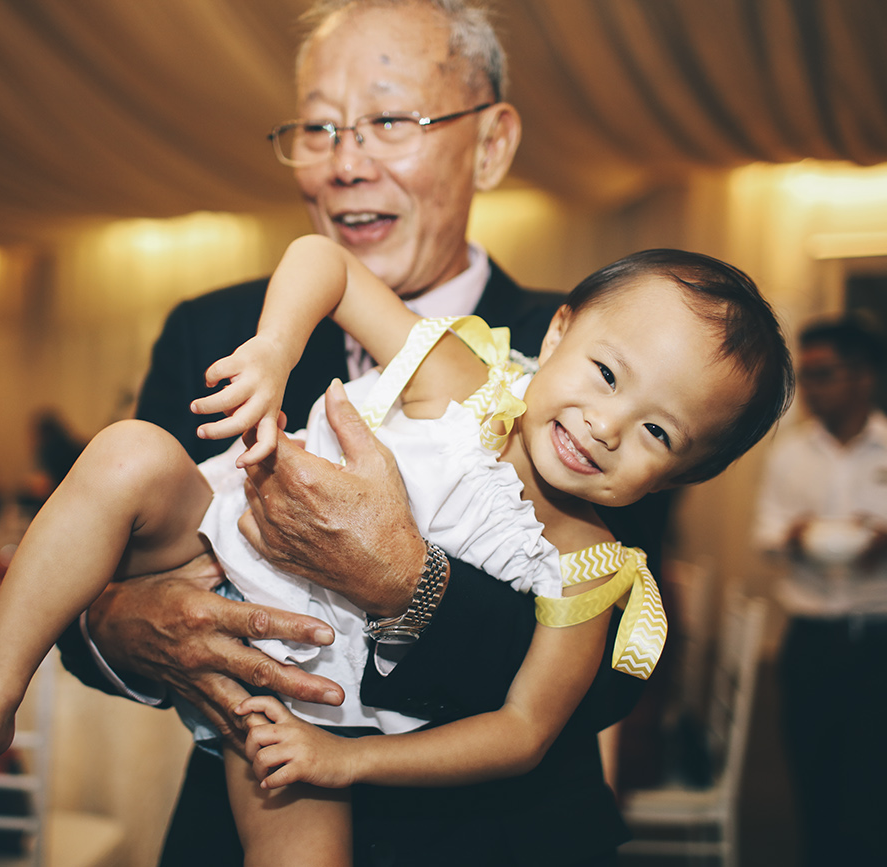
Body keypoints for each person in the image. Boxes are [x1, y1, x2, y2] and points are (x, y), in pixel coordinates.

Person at [0, 238, 793, 865]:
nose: (606, 425)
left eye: (659, 434)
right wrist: (274, 350)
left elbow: (526, 729)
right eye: (604, 374)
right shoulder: (462, 376)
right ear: (558, 332)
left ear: (680, 477)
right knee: (125, 451)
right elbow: (324, 262)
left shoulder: (588, 566)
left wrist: (340, 759)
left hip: (310, 717)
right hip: (222, 563)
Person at [58, 2, 671, 864]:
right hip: (249, 818)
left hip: (493, 837)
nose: (345, 164)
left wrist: (408, 585)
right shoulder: (216, 329)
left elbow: (607, 679)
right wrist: (119, 624)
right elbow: (93, 558)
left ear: (491, 144)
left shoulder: (597, 371)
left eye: (389, 121)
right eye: (317, 128)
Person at [752, 314, 887, 867]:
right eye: (808, 375)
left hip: (883, 645)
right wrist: (792, 536)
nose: (812, 389)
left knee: (870, 783)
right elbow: (764, 533)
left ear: (864, 374)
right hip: (810, 640)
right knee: (811, 777)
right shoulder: (789, 453)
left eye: (824, 374)